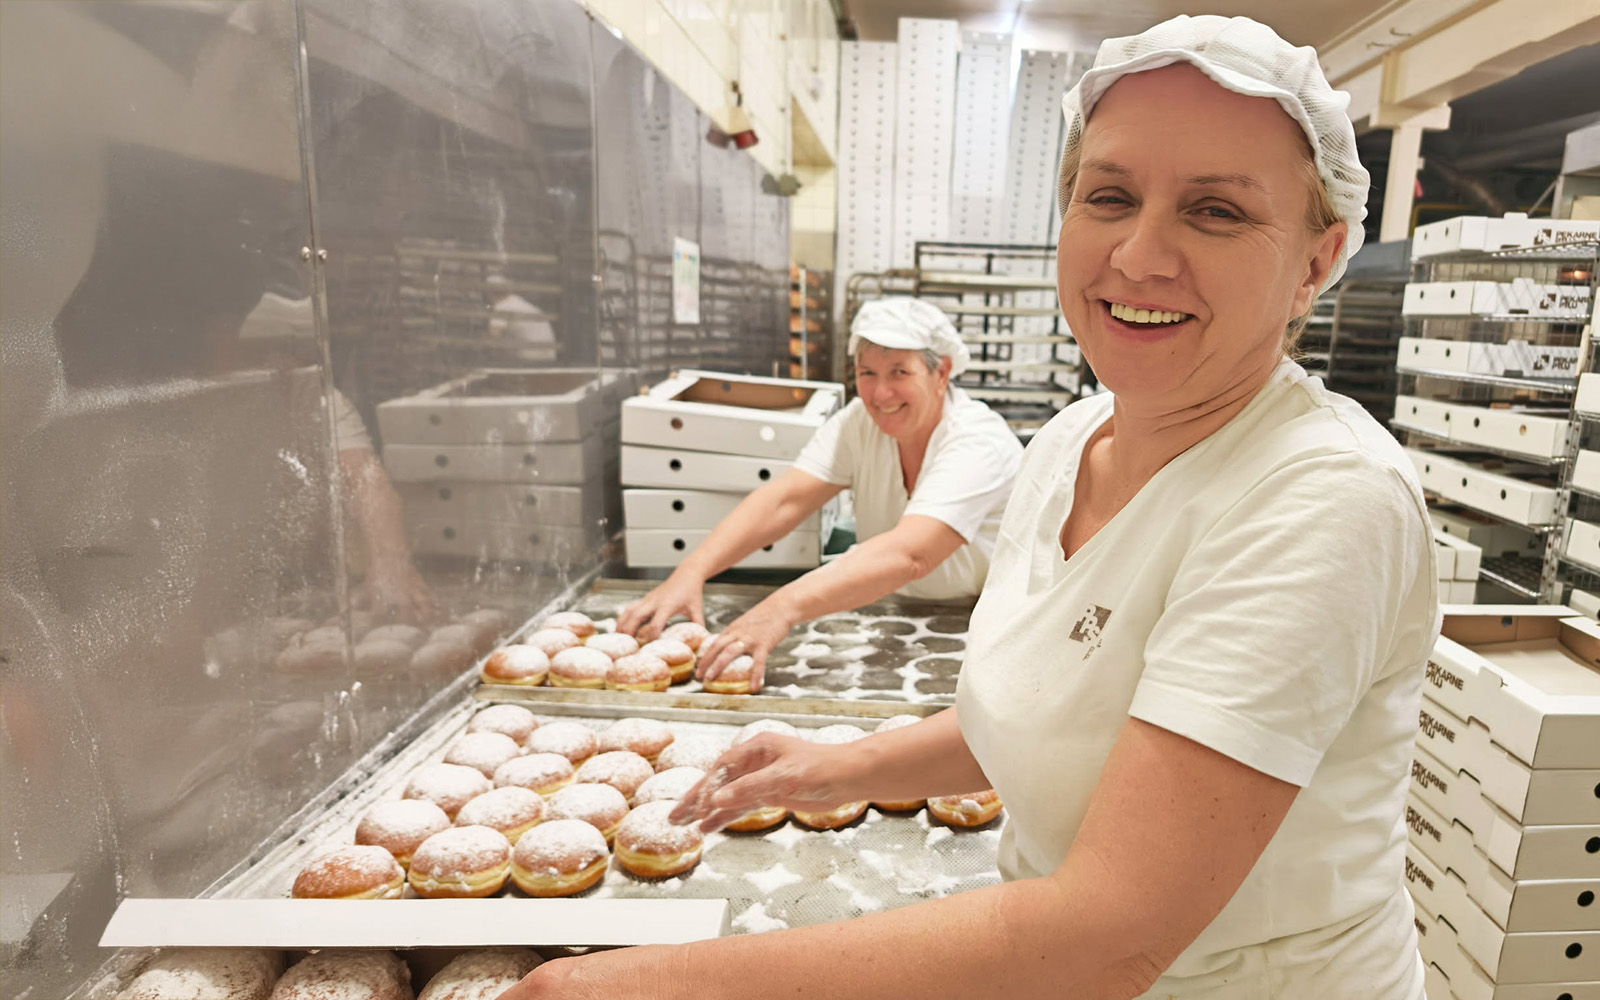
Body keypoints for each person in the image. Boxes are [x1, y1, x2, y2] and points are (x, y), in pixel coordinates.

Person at [503, 14, 1435, 1000]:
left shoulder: (1319, 501)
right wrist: (835, 767)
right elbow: (1043, 723)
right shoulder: (1072, 442)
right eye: (1109, 196)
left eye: (1216, 211)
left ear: (1316, 260)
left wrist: (641, 985)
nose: (1139, 255)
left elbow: (1106, 937)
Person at [617, 297, 1023, 690]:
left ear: (942, 372)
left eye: (900, 372)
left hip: (979, 623)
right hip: (895, 611)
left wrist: (779, 609)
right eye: (867, 373)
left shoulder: (977, 442)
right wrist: (691, 571)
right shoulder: (859, 424)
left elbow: (911, 555)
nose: (881, 394)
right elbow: (785, 501)